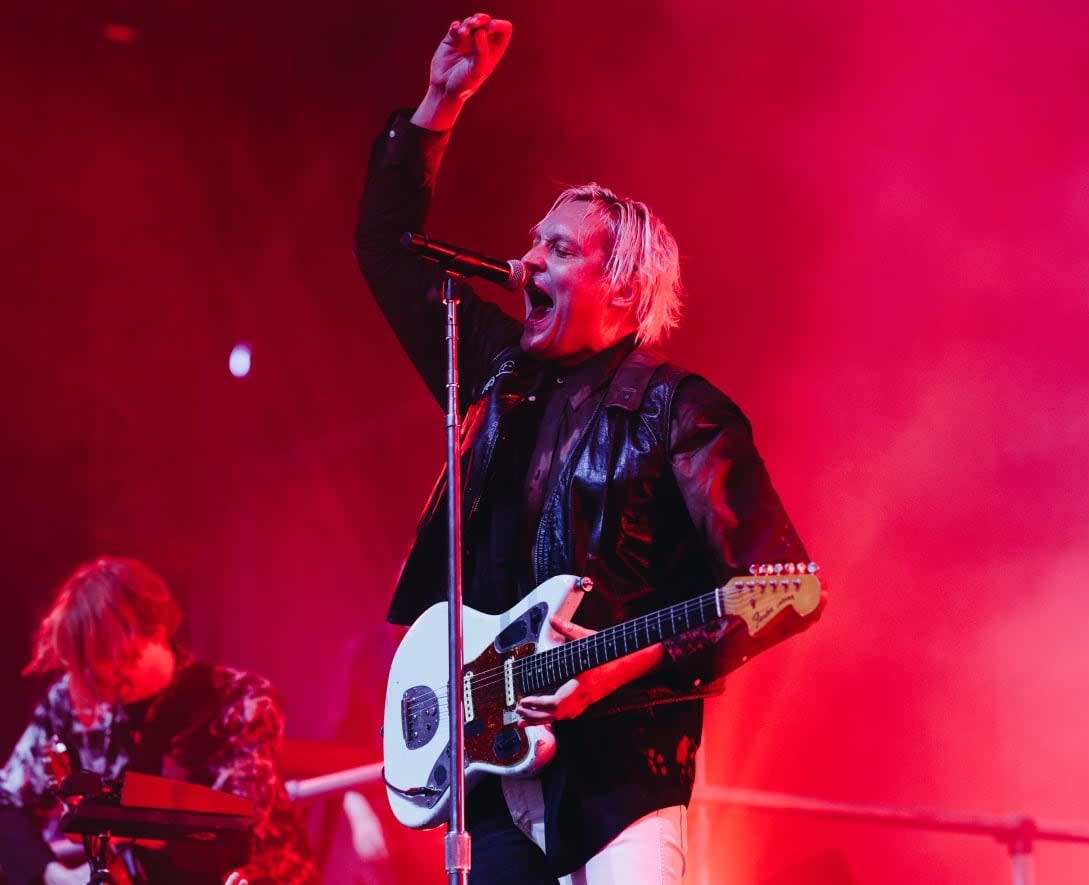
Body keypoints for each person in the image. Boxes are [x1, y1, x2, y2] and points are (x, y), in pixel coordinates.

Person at [354, 13, 825, 885]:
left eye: (558, 248)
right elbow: (385, 252)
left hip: (621, 788)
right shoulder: (495, 375)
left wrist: (610, 675)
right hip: (496, 780)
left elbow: (785, 593)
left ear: (623, 285)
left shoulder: (680, 411)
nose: (525, 261)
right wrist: (438, 103)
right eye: (533, 242)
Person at [0, 556, 321, 885]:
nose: (95, 675)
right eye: (85, 660)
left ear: (154, 627)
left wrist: (130, 836)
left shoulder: (243, 700)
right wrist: (54, 877)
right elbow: (5, 798)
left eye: (107, 649)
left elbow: (234, 832)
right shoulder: (71, 701)